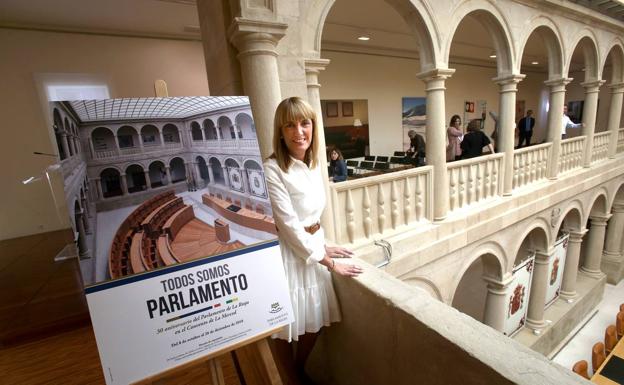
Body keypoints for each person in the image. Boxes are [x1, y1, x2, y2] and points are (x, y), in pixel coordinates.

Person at [263, 97, 363, 384]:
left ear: (313, 126)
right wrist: (330, 262)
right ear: (280, 132)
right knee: (287, 326)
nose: (299, 132)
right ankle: (287, 377)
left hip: (313, 249)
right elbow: (290, 227)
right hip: (289, 256)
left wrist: (326, 246)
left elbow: (311, 219)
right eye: (290, 125)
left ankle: (295, 371)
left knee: (313, 323)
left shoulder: (312, 163)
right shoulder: (272, 169)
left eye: (304, 123)